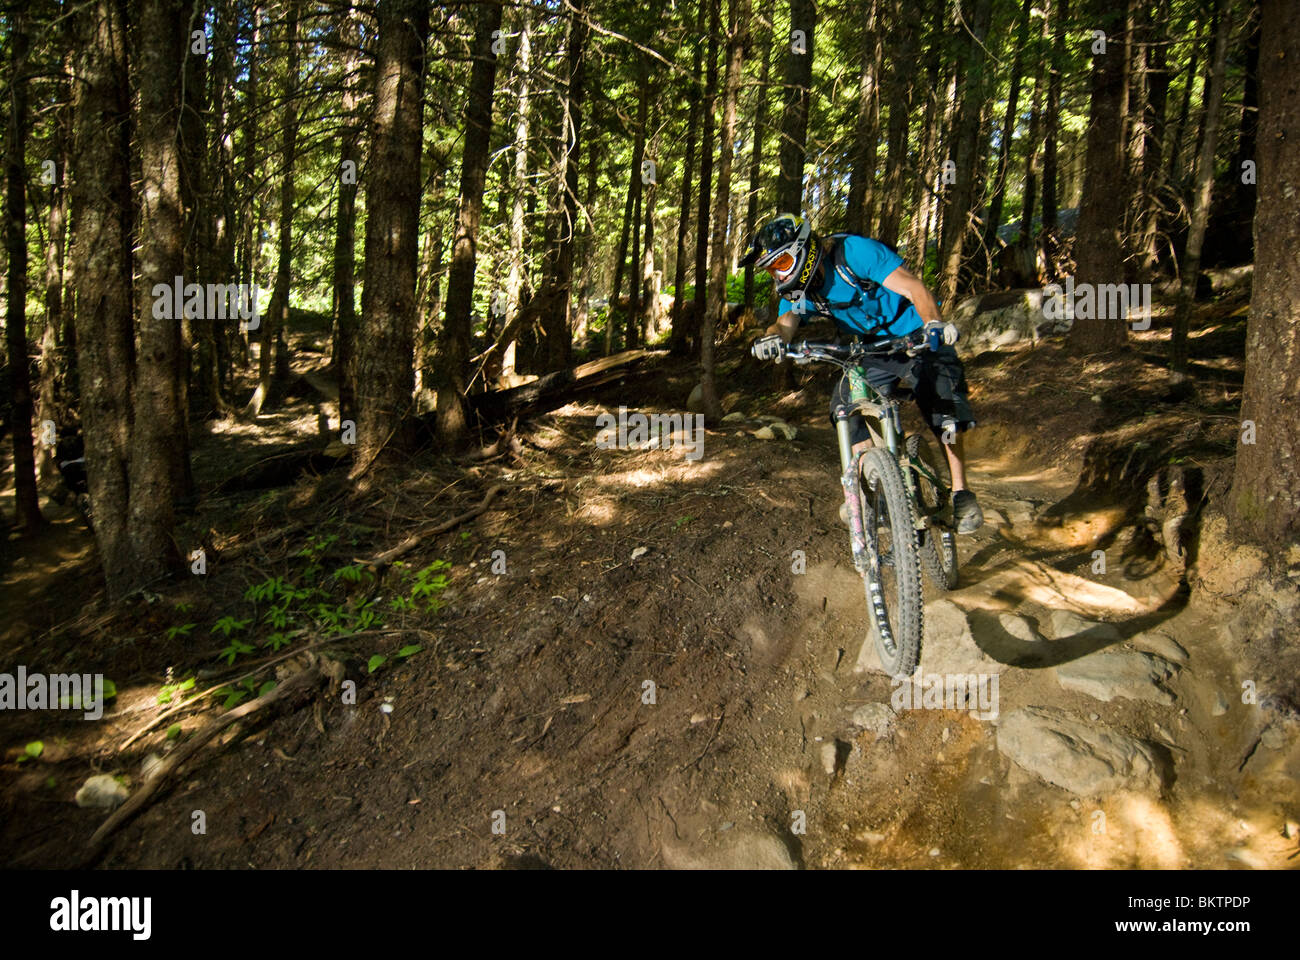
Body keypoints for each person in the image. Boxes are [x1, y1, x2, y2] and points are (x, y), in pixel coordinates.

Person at [743, 212, 984, 533]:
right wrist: (773, 338)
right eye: (772, 269)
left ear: (804, 249)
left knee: (945, 409)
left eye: (782, 263)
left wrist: (934, 325)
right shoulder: (799, 292)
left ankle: (960, 492)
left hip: (917, 333)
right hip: (873, 347)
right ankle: (877, 489)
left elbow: (915, 289)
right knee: (843, 407)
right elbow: (785, 324)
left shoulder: (854, 253)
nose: (779, 274)